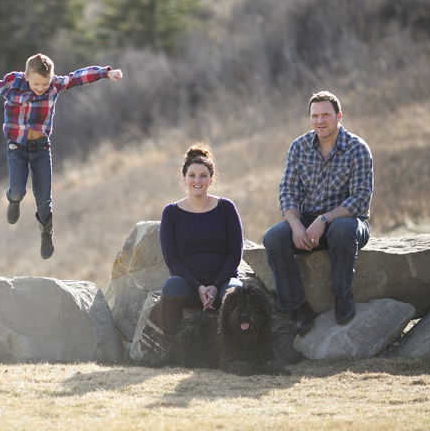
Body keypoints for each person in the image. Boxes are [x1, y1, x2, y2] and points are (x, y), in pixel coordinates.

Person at [0, 53, 123, 259]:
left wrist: (106, 73)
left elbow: (78, 77)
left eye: (45, 84)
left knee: (44, 199)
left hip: (42, 149)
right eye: (36, 84)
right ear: (26, 76)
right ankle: (13, 201)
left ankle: (46, 232)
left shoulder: (54, 85)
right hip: (17, 148)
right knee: (18, 192)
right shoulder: (11, 85)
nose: (41, 88)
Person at [263, 91, 373, 335]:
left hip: (348, 222)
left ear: (339, 116)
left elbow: (360, 200)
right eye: (315, 116)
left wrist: (324, 219)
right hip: (307, 219)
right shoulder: (299, 147)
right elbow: (288, 193)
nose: (320, 121)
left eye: (326, 115)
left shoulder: (357, 149)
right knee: (273, 238)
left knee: (343, 229)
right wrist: (296, 225)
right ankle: (298, 308)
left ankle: (342, 295)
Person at [158, 143, 244, 353]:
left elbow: (235, 254)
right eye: (192, 175)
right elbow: (173, 260)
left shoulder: (226, 208)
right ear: (184, 178)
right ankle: (173, 349)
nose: (197, 181)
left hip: (222, 282)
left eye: (203, 176)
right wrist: (199, 287)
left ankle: (236, 351)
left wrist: (215, 287)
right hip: (189, 286)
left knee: (237, 291)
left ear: (211, 179)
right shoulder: (171, 213)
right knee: (171, 286)